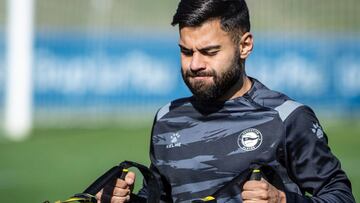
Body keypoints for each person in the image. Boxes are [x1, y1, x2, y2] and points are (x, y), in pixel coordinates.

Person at [96, 0, 355, 202]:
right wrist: (124, 199)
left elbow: (341, 196)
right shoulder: (167, 118)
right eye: (186, 52)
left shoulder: (287, 117)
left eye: (209, 52)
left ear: (244, 46)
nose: (195, 64)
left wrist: (284, 199)